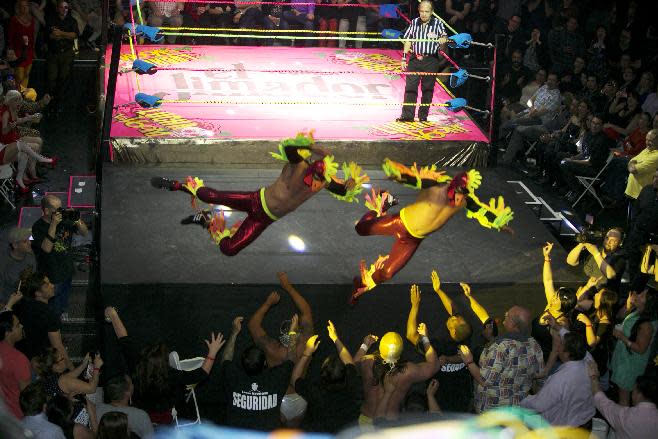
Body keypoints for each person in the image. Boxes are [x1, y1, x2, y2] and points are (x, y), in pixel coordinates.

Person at [152, 132, 367, 256]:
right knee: (210, 196)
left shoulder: (324, 182)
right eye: (315, 179)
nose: (316, 185)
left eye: (320, 182)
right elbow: (290, 148)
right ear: (311, 170)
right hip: (256, 200)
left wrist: (348, 184)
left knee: (229, 249)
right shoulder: (299, 164)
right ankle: (178, 186)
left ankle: (207, 221)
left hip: (265, 219)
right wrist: (313, 147)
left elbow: (341, 189)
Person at [350, 159, 513, 302]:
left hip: (413, 239)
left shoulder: (465, 201)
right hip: (400, 222)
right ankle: (378, 210)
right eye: (459, 195)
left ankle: (366, 283)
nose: (460, 200)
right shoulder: (436, 187)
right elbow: (414, 179)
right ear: (454, 187)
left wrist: (499, 224)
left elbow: (481, 212)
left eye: (464, 196)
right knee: (360, 229)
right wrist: (399, 172)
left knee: (387, 274)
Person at [103, 306, 226, 425]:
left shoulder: (137, 365)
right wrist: (212, 352)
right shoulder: (172, 376)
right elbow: (201, 374)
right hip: (164, 419)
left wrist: (113, 314)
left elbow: (124, 339)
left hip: (141, 414)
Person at [247, 272, 313, 426]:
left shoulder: (273, 350)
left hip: (279, 398)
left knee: (278, 429)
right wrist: (288, 287)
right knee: (295, 429)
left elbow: (253, 326)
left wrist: (268, 304)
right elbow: (306, 312)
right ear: (296, 333)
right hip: (301, 398)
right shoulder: (304, 344)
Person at [460, 305, 544, 413]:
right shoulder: (534, 345)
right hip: (519, 410)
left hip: (495, 413)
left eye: (507, 315)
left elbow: (485, 380)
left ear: (513, 324)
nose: (505, 315)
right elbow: (540, 377)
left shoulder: (500, 347)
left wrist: (469, 361)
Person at [405, 279, 472, 413]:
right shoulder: (466, 336)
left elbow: (411, 335)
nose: (453, 317)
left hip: (438, 399)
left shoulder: (438, 346)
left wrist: (415, 305)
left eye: (453, 320)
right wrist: (438, 290)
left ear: (453, 331)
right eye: (456, 318)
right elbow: (455, 310)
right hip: (460, 401)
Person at [221, 316, 293, 431]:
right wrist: (292, 333)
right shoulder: (277, 377)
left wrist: (234, 333)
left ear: (242, 363)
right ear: (265, 363)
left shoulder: (233, 376)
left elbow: (225, 359)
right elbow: (291, 358)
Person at [290, 321, 361, 433]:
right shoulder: (353, 384)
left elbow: (294, 379)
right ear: (345, 373)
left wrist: (306, 353)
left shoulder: (314, 391)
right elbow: (348, 360)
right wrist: (335, 338)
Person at [360, 325, 440, 421]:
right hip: (389, 423)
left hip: (366, 418)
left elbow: (350, 365)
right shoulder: (407, 371)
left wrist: (365, 345)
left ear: (381, 347)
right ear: (400, 351)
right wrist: (425, 338)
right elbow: (433, 366)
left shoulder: (366, 361)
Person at [520, 332, 594, 428]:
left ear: (567, 354)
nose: (557, 346)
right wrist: (558, 328)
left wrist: (522, 399)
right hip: (586, 422)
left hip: (567, 430)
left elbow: (539, 405)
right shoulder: (588, 361)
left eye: (560, 344)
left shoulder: (561, 378)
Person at [31, 195, 88, 317]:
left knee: (65, 294)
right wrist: (53, 224)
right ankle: (54, 321)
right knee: (54, 300)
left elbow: (84, 232)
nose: (60, 212)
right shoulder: (38, 227)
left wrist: (77, 219)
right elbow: (46, 248)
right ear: (46, 211)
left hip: (67, 267)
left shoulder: (64, 219)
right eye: (57, 210)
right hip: (52, 273)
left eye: (61, 208)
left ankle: (63, 311)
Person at [396, 0, 448, 123]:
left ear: (432, 12)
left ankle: (423, 116)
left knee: (428, 89)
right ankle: (407, 116)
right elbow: (408, 40)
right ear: (419, 11)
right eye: (422, 11)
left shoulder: (438, 24)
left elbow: (444, 39)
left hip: (431, 60)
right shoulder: (414, 22)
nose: (424, 14)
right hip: (415, 59)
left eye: (427, 11)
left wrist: (443, 40)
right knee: (410, 87)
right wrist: (404, 57)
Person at [11, 269, 72, 370]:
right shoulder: (48, 314)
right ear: (38, 293)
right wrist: (71, 369)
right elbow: (58, 346)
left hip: (23, 359)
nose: (52, 285)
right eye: (46, 285)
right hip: (41, 363)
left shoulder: (21, 305)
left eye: (49, 282)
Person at [610, 288, 658, 406]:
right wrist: (629, 304)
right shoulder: (639, 311)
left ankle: (623, 422)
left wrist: (622, 337)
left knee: (624, 398)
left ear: (649, 303)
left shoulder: (646, 325)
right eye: (641, 292)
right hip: (625, 358)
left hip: (630, 364)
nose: (638, 294)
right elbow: (620, 316)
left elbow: (641, 349)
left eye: (642, 296)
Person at [588, 362, 658, 439]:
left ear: (639, 394)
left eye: (633, 390)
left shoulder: (626, 418)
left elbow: (602, 402)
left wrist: (593, 377)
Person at [625, 170, 658, 289]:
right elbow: (637, 209)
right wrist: (634, 227)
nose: (655, 180)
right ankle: (631, 292)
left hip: (654, 241)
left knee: (645, 269)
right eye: (654, 177)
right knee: (633, 263)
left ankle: (638, 292)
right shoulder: (647, 190)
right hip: (638, 233)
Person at [566, 228, 627, 293]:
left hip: (603, 298)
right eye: (607, 238)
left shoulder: (620, 257)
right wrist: (582, 244)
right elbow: (571, 261)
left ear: (620, 243)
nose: (608, 242)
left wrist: (596, 254)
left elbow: (610, 275)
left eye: (613, 241)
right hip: (584, 293)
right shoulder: (596, 249)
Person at [94, 375, 153, 439]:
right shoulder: (140, 415)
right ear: (127, 392)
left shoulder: (97, 409)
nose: (133, 385)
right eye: (131, 384)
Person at [45, 0, 79, 114]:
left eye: (66, 8)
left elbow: (74, 35)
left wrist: (61, 33)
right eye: (62, 7)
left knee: (63, 79)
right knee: (51, 79)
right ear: (57, 8)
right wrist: (63, 35)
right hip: (53, 53)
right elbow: (49, 35)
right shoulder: (51, 19)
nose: (64, 9)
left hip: (67, 53)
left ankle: (59, 104)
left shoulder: (72, 20)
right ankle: (50, 103)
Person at [0, 311, 31, 419]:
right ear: (7, 332)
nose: (21, 326)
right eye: (17, 325)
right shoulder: (19, 359)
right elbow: (28, 395)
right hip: (16, 416)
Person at [0, 227, 36, 303]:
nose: (29, 243)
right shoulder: (4, 264)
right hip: (7, 302)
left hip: (25, 300)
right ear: (15, 245)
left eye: (29, 240)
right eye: (24, 241)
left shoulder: (31, 258)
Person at [8, 0, 36, 90]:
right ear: (18, 8)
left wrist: (32, 51)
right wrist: (11, 51)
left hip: (29, 52)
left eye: (26, 6)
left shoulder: (32, 20)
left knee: (26, 75)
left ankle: (23, 99)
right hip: (18, 52)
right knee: (19, 76)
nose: (24, 8)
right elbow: (10, 37)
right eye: (22, 6)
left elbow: (32, 37)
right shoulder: (14, 20)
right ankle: (18, 99)